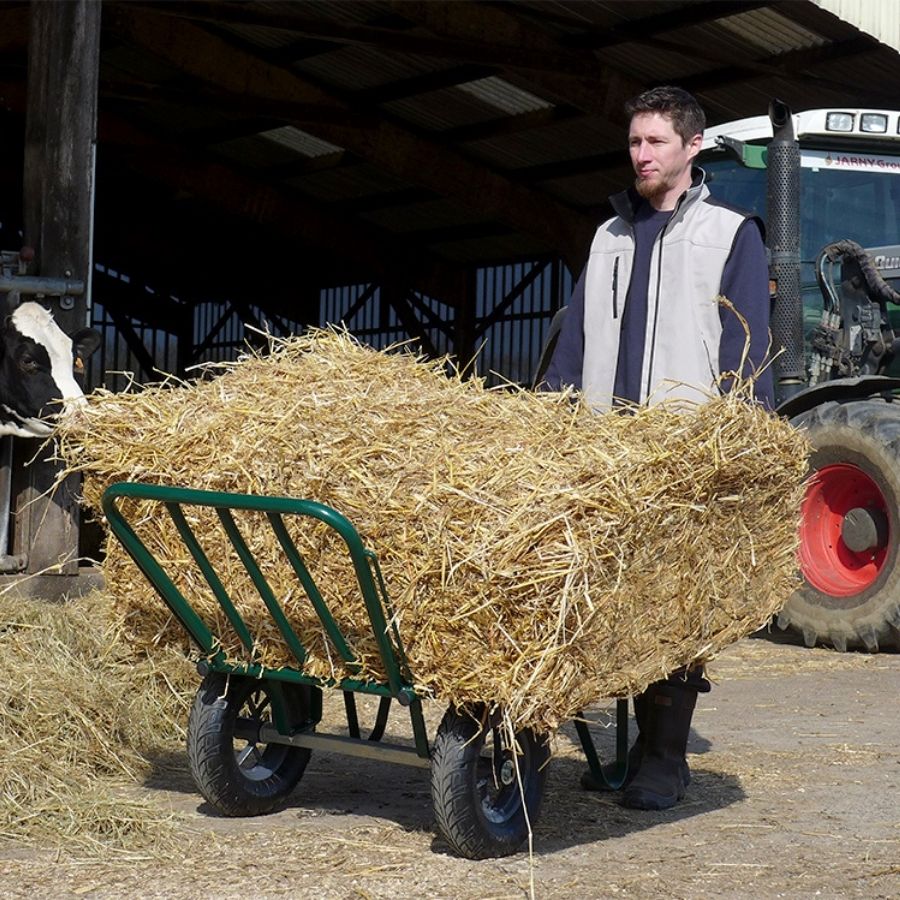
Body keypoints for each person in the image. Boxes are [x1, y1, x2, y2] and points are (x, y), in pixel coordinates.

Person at [542, 86, 774, 811]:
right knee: (605, 601)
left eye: (655, 143)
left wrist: (738, 437)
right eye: (635, 142)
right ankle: (627, 748)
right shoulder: (608, 235)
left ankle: (665, 760)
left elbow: (747, 345)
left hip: (683, 450)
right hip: (607, 448)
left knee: (673, 606)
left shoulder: (731, 234)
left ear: (691, 147)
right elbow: (575, 335)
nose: (641, 155)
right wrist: (552, 413)